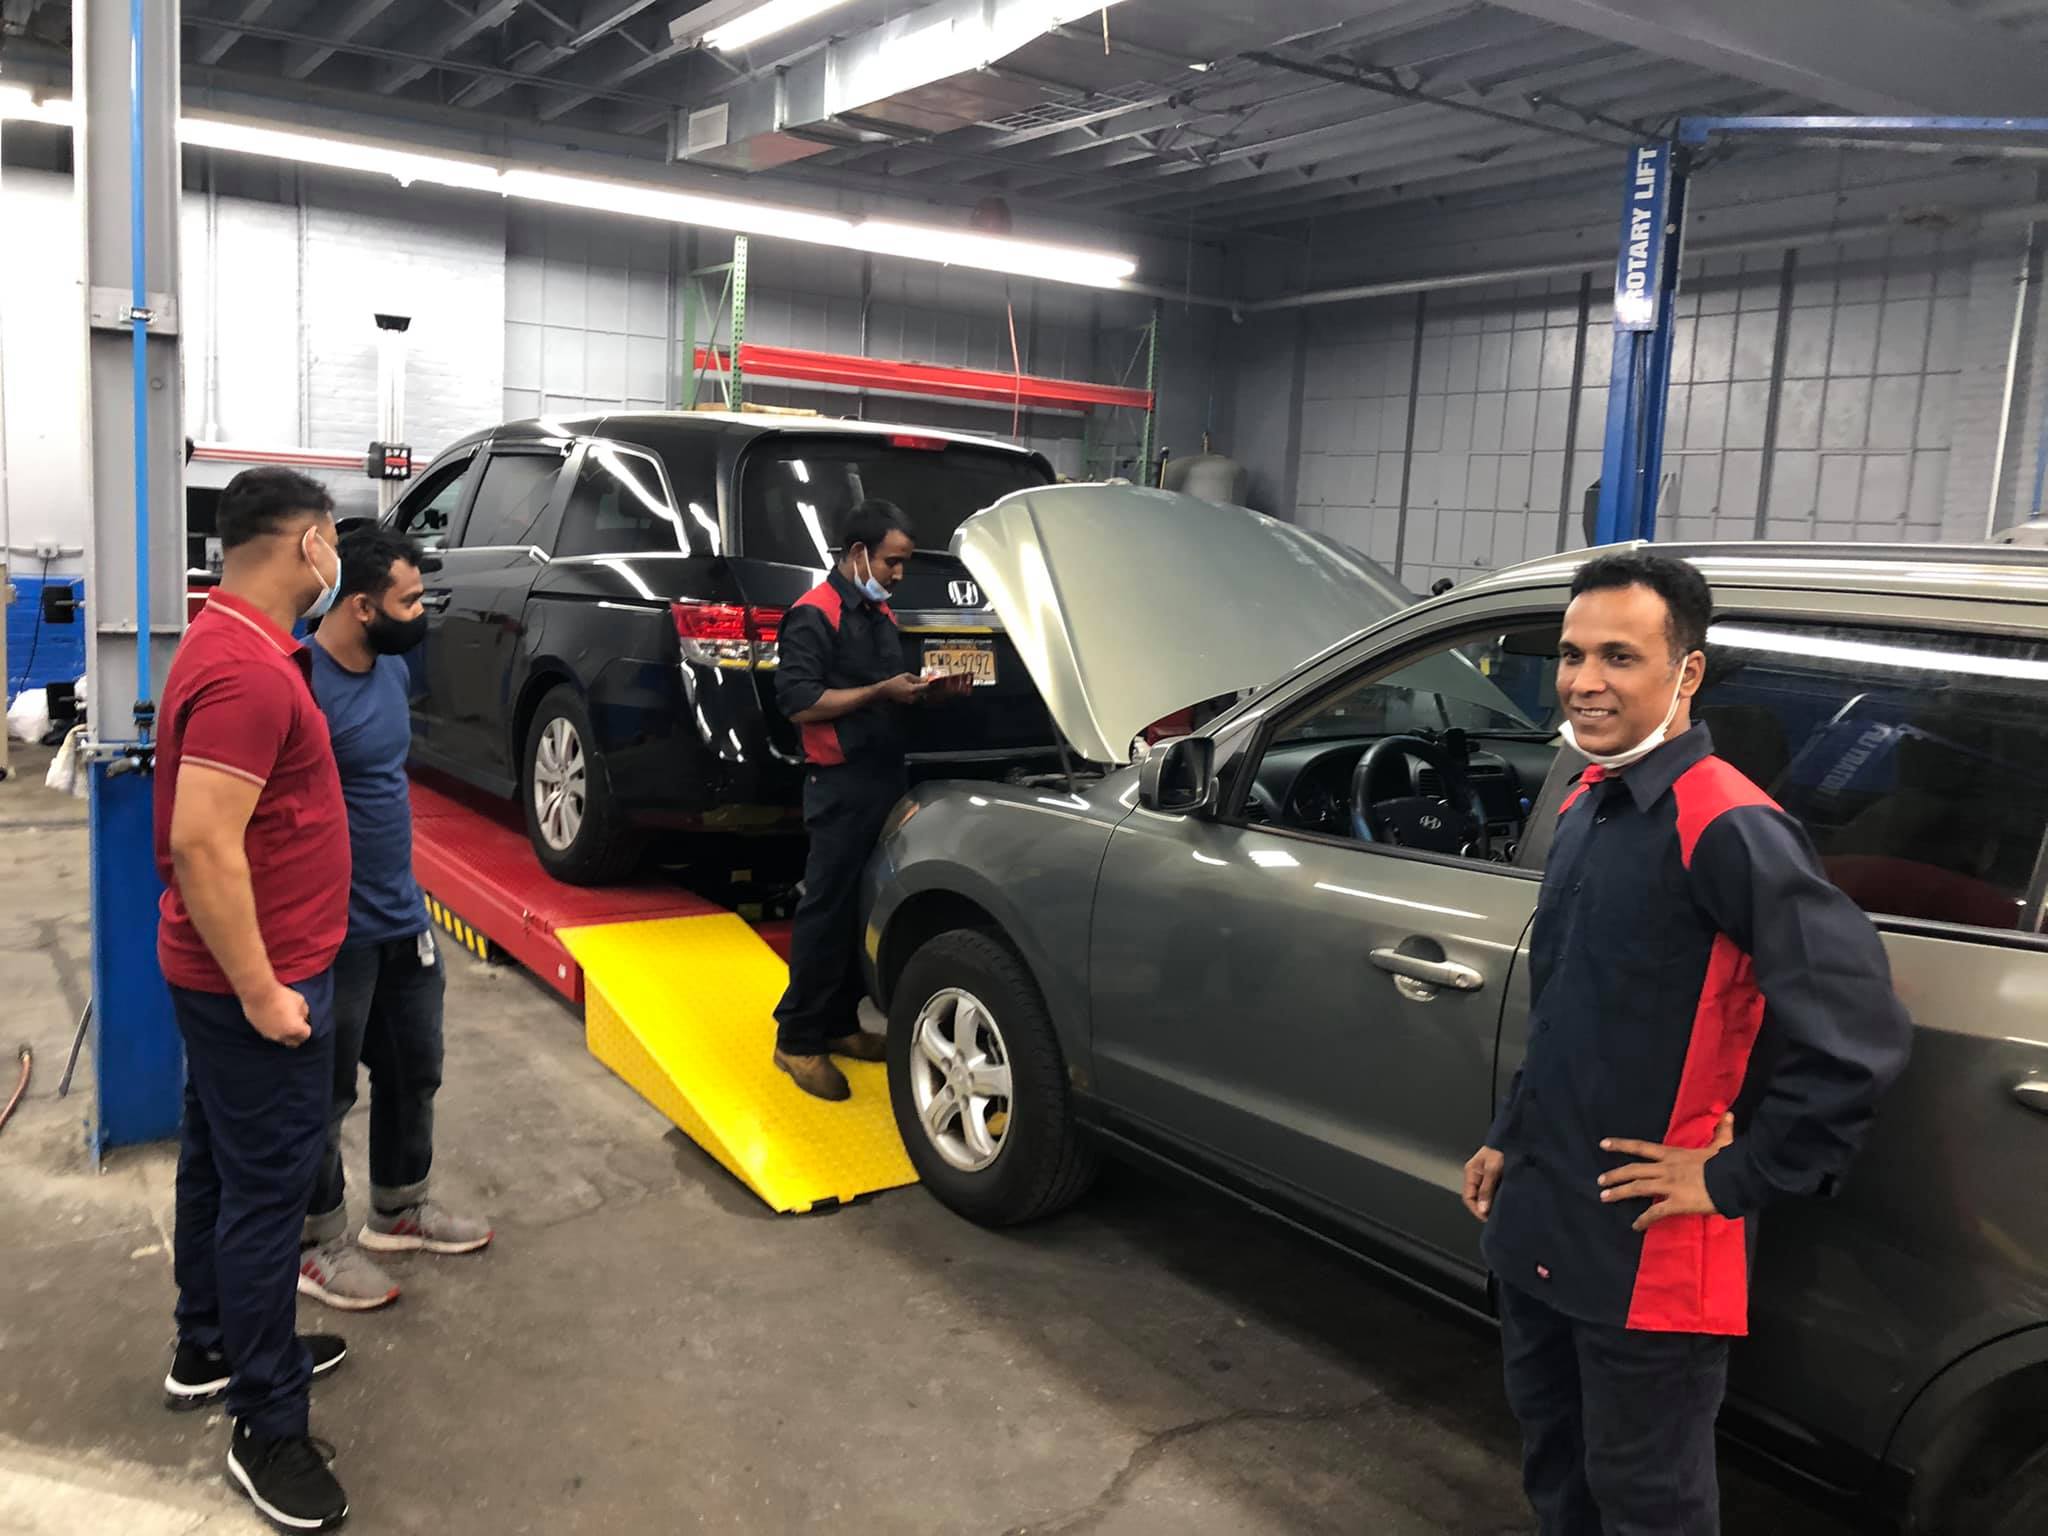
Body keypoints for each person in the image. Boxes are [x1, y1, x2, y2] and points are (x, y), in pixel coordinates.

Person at [1461, 550, 1912, 1536]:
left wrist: (1740, 1174)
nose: (1584, 681)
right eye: (1572, 655)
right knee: (1554, 1465)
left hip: (1646, 1252)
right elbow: (1570, 1006)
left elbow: (1856, 1033)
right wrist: (1508, 1133)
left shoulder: (1727, 822)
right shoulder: (1588, 801)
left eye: (1618, 657)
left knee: (1647, 1504)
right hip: (1542, 1217)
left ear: (1687, 671)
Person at [156, 466, 355, 1532]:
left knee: (216, 1164)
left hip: (235, 972)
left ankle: (213, 1343)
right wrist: (265, 993)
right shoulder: (247, 674)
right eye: (333, 541)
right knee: (268, 1198)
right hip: (257, 982)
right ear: (307, 543)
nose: (337, 560)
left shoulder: (234, 642)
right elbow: (201, 843)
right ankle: (266, 1423)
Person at [297, 526, 492, 1313]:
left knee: (415, 1068)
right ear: (361, 606)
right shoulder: (301, 684)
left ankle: (399, 1209)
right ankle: (314, 1242)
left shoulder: (390, 669)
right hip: (332, 932)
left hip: (401, 915)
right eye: (409, 601)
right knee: (323, 1094)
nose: (422, 614)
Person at [770, 498, 965, 1102]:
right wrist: (881, 690)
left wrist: (926, 694)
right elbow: (800, 702)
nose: (898, 575)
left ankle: (838, 1022)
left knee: (863, 907)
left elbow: (884, 694)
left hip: (882, 776)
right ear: (858, 553)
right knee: (826, 909)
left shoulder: (879, 614)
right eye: (891, 562)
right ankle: (797, 1038)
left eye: (904, 563)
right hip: (839, 785)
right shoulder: (814, 614)